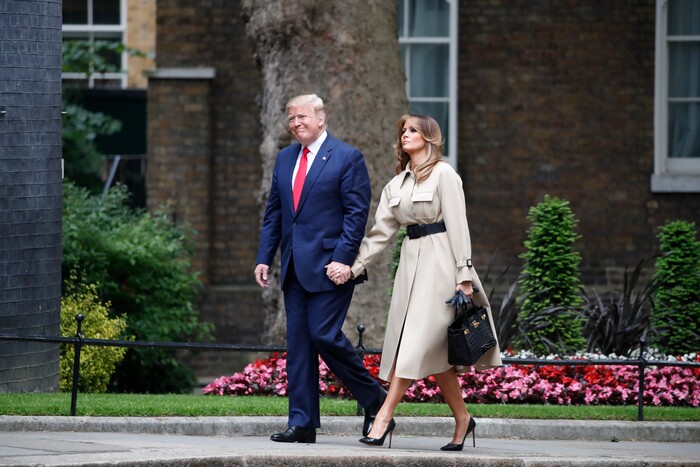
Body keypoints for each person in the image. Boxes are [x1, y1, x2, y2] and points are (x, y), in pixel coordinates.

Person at [335, 114, 502, 450]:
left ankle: (383, 417)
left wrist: (464, 276)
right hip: (410, 267)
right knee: (436, 354)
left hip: (442, 265)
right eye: (403, 130)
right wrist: (352, 267)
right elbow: (380, 234)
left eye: (412, 130)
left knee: (412, 344)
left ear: (429, 137)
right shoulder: (395, 185)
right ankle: (464, 420)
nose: (405, 135)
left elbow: (459, 226)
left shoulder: (444, 175)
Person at [254, 94, 386, 444]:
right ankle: (302, 423)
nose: (296, 123)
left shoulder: (346, 157)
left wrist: (344, 259)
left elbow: (356, 214)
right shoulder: (284, 160)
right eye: (291, 118)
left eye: (302, 117)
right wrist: (264, 257)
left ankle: (376, 401)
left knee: (323, 335)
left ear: (321, 119)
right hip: (294, 267)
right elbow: (275, 214)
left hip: (332, 267)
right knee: (298, 345)